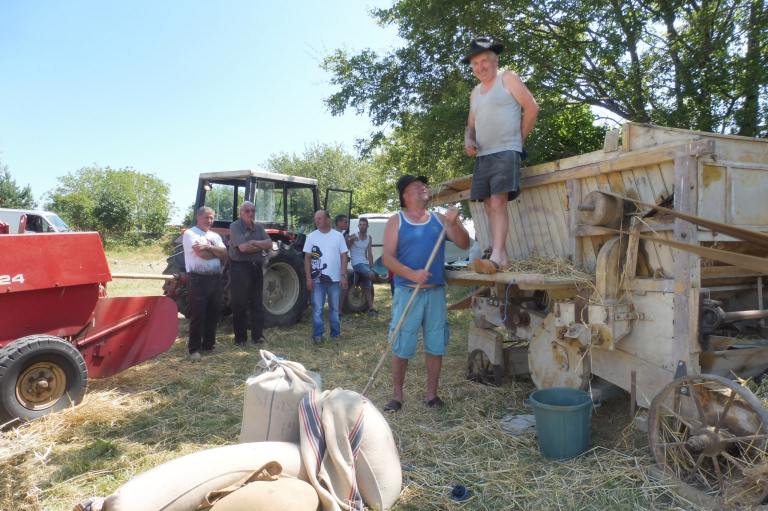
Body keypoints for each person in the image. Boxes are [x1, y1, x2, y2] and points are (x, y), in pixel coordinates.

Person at [382, 175, 470, 412]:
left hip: (435, 294)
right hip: (407, 292)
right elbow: (387, 258)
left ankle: (432, 395)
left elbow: (465, 244)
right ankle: (397, 396)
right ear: (405, 196)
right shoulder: (396, 221)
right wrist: (411, 274)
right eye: (416, 186)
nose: (423, 188)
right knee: (402, 345)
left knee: (435, 344)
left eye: (423, 185)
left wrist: (455, 223)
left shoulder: (440, 219)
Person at [463, 37, 539, 274]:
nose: (480, 67)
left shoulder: (507, 78)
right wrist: (468, 139)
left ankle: (497, 256)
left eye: (484, 61)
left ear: (495, 60)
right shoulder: (475, 93)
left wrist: (519, 139)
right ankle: (500, 255)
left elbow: (533, 107)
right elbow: (470, 126)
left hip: (506, 150)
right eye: (475, 64)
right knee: (488, 204)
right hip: (483, 155)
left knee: (497, 202)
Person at [182, 206, 228, 360]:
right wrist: (216, 252)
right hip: (198, 279)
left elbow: (225, 254)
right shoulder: (190, 234)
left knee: (214, 314)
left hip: (215, 279)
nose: (209, 221)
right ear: (198, 217)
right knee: (198, 315)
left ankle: (209, 345)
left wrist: (209, 247)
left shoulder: (215, 236)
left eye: (212, 218)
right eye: (206, 217)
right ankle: (194, 349)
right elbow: (201, 255)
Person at [228, 201, 273, 346]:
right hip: (240, 269)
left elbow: (269, 244)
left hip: (255, 268)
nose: (250, 213)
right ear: (241, 213)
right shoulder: (235, 226)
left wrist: (253, 242)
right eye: (247, 211)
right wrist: (260, 246)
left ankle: (258, 336)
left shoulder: (258, 227)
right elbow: (243, 248)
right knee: (239, 304)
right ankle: (240, 339)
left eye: (252, 210)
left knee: (257, 303)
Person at [304, 210, 349, 345]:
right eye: (315, 219)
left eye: (320, 218)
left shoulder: (338, 236)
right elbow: (307, 259)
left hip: (335, 279)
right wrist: (308, 278)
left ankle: (335, 334)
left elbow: (344, 256)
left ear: (328, 220)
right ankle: (317, 335)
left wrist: (343, 275)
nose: (317, 221)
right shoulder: (311, 237)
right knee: (317, 309)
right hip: (317, 281)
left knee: (334, 309)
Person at [347, 217, 378, 317]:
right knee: (371, 275)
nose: (362, 226)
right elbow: (346, 248)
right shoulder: (354, 235)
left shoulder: (369, 237)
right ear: (358, 226)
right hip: (356, 263)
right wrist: (350, 240)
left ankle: (371, 309)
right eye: (360, 224)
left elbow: (369, 253)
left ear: (367, 226)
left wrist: (371, 266)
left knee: (368, 287)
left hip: (364, 263)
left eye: (364, 224)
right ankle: (360, 275)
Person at [334, 214, 352, 319]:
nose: (347, 224)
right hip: (337, 268)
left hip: (339, 266)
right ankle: (338, 313)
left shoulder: (340, 235)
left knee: (342, 288)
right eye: (345, 222)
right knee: (342, 288)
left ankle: (338, 311)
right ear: (339, 223)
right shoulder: (337, 235)